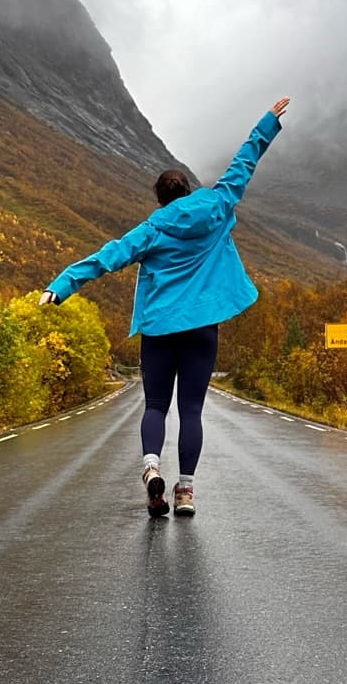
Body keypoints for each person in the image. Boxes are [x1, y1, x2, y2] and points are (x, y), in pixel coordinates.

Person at [40, 97, 291, 516]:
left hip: (160, 329)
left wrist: (61, 285)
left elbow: (108, 257)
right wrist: (267, 122)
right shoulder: (217, 204)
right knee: (191, 410)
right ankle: (186, 491)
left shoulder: (152, 229)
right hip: (202, 328)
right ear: (187, 191)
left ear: (160, 200)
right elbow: (245, 162)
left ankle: (152, 467)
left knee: (156, 406)